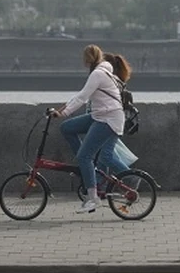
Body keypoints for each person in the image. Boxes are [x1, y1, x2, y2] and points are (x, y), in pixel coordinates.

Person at [51, 45, 129, 214]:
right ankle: (88, 168)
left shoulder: (98, 74)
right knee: (67, 128)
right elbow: (80, 95)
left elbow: (82, 98)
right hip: (100, 115)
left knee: (84, 155)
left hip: (108, 119)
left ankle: (93, 198)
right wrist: (60, 109)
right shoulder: (103, 70)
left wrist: (63, 112)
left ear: (87, 60)